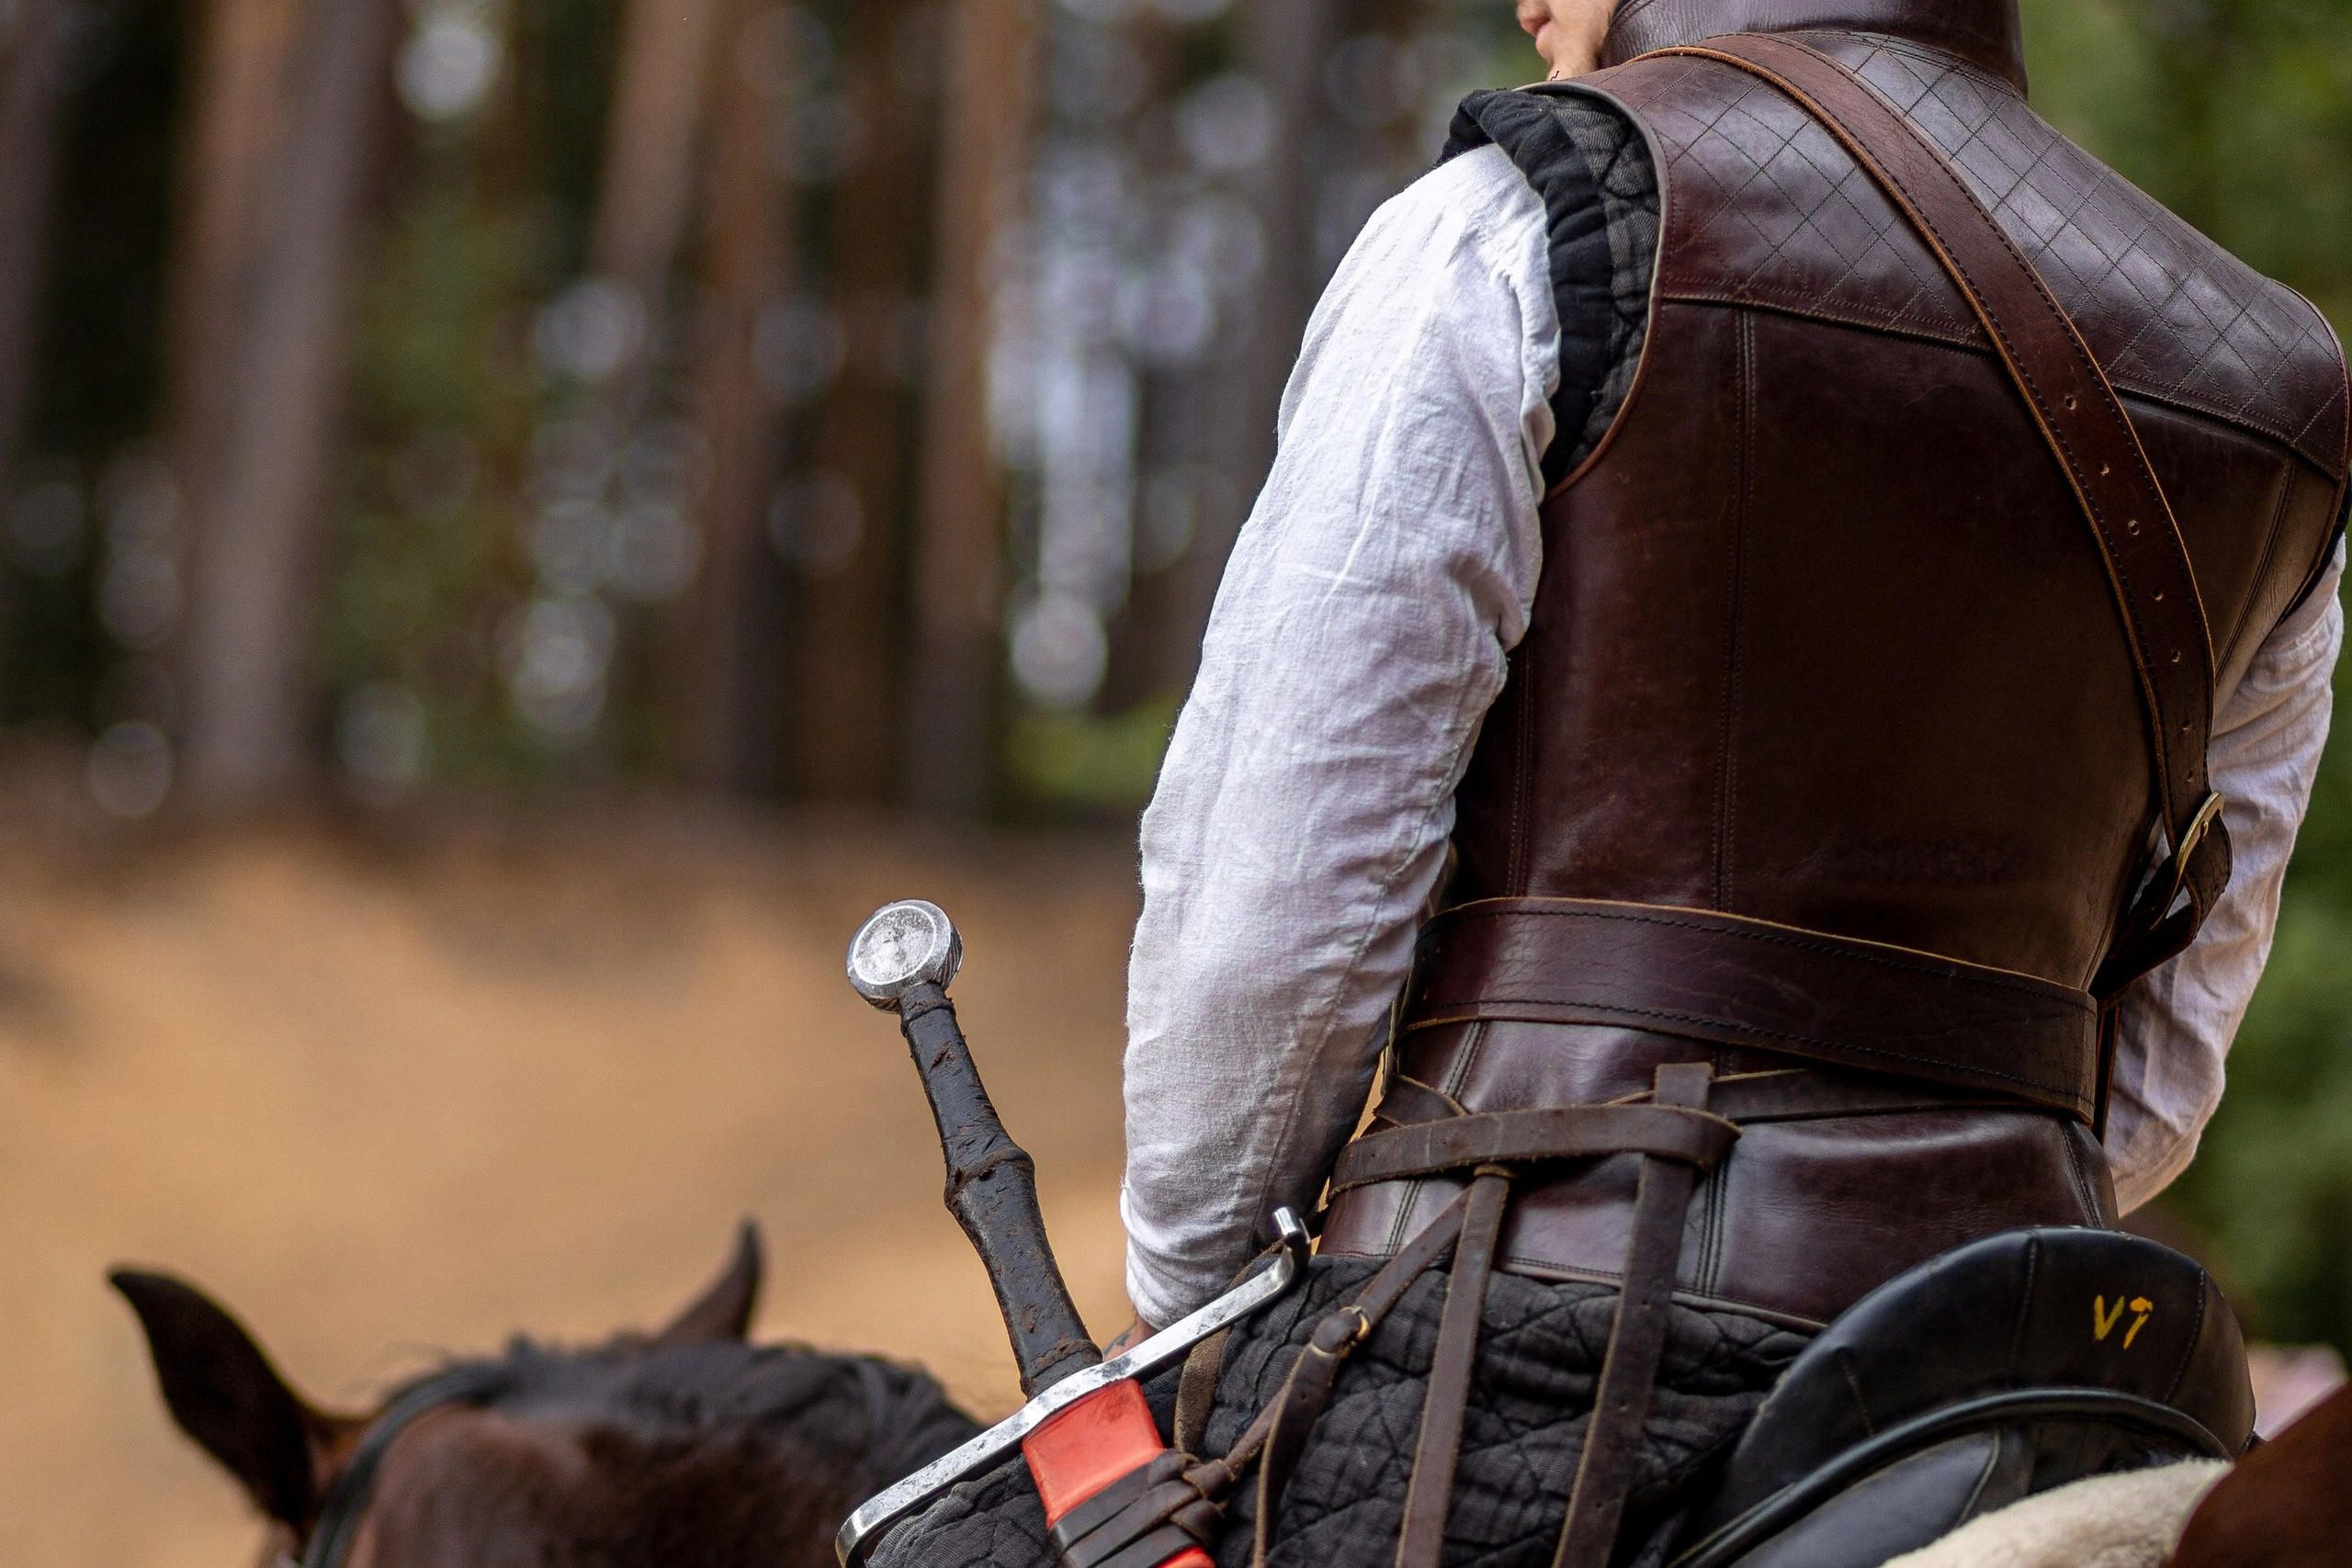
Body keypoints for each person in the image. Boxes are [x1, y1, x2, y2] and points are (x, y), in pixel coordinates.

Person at [883, 1, 2348, 1564]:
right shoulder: (2282, 384)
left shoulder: (1513, 221)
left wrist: (1192, 1304)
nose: (1532, 2)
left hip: (1550, 1358)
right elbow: (2163, 1068)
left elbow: (1273, 919)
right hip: (2056, 1361)